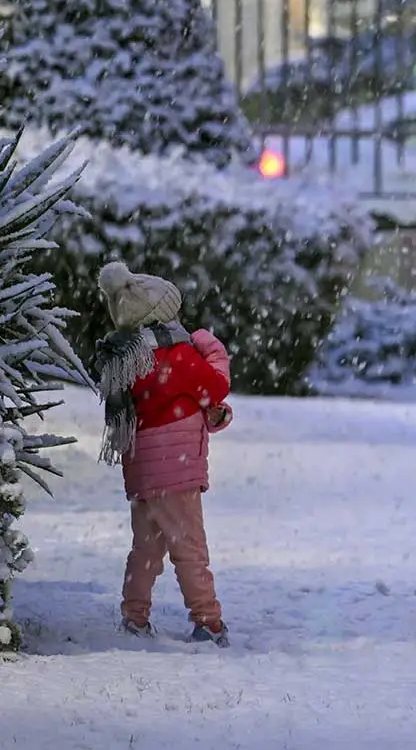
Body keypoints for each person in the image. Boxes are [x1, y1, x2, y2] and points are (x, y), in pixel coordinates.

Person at [92, 261, 234, 647]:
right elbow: (215, 387)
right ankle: (208, 620)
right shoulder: (181, 357)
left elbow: (191, 406)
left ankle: (133, 616)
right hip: (178, 472)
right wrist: (211, 346)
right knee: (190, 549)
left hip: (144, 471)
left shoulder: (129, 361)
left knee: (146, 549)